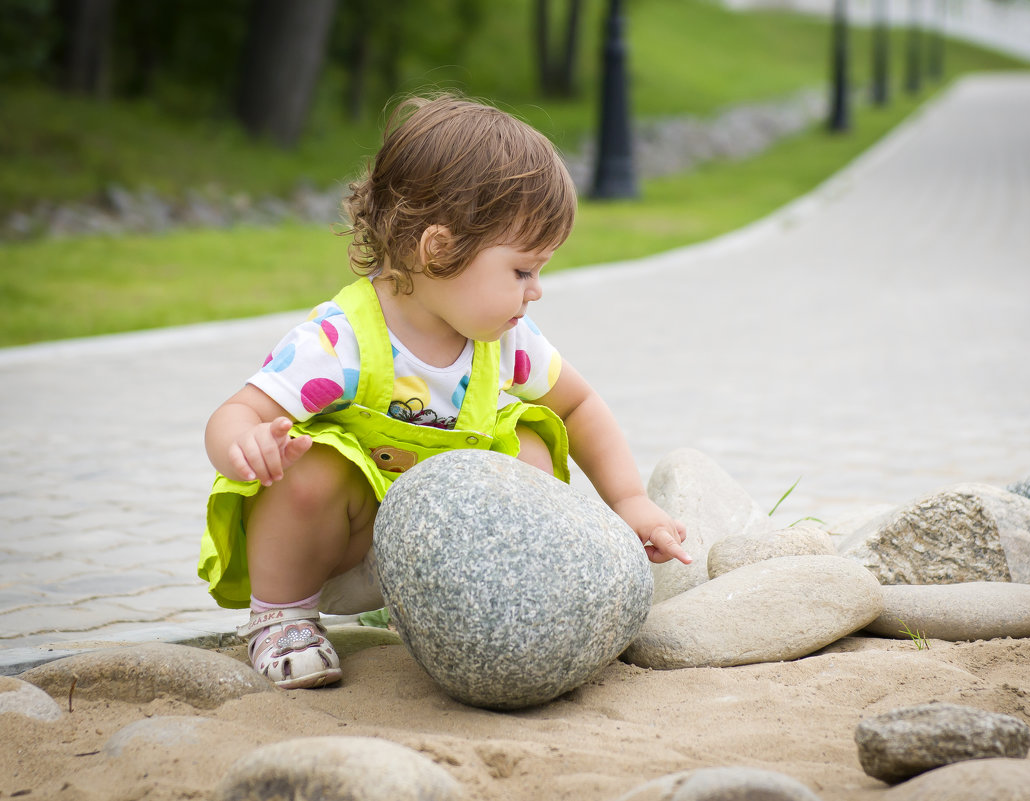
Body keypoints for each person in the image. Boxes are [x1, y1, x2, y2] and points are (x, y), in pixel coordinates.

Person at [198, 94, 690, 690]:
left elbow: (580, 404)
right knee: (310, 471)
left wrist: (629, 500)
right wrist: (245, 445)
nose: (535, 292)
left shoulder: (507, 341)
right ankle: (282, 620)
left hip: (442, 558)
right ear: (437, 250)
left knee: (529, 450)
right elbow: (238, 411)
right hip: (341, 547)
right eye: (522, 271)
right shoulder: (343, 339)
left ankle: (462, 621)